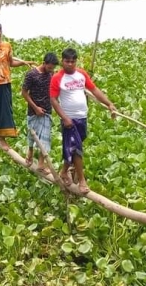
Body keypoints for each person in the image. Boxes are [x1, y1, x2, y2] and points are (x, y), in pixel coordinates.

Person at [49, 48, 116, 194]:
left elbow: (94, 90)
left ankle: (64, 171)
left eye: (73, 61)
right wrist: (64, 118)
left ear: (76, 61)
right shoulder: (57, 78)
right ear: (62, 61)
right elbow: (53, 100)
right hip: (69, 119)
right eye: (67, 61)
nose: (70, 64)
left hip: (82, 117)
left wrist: (109, 103)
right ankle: (81, 180)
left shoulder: (81, 74)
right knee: (77, 149)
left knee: (73, 147)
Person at [22, 52, 59, 175]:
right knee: (32, 135)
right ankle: (30, 153)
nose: (51, 70)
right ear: (44, 63)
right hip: (34, 110)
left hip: (47, 110)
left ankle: (41, 164)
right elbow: (24, 93)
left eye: (53, 68)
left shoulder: (51, 73)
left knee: (45, 137)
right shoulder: (32, 75)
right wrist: (36, 107)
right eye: (49, 67)